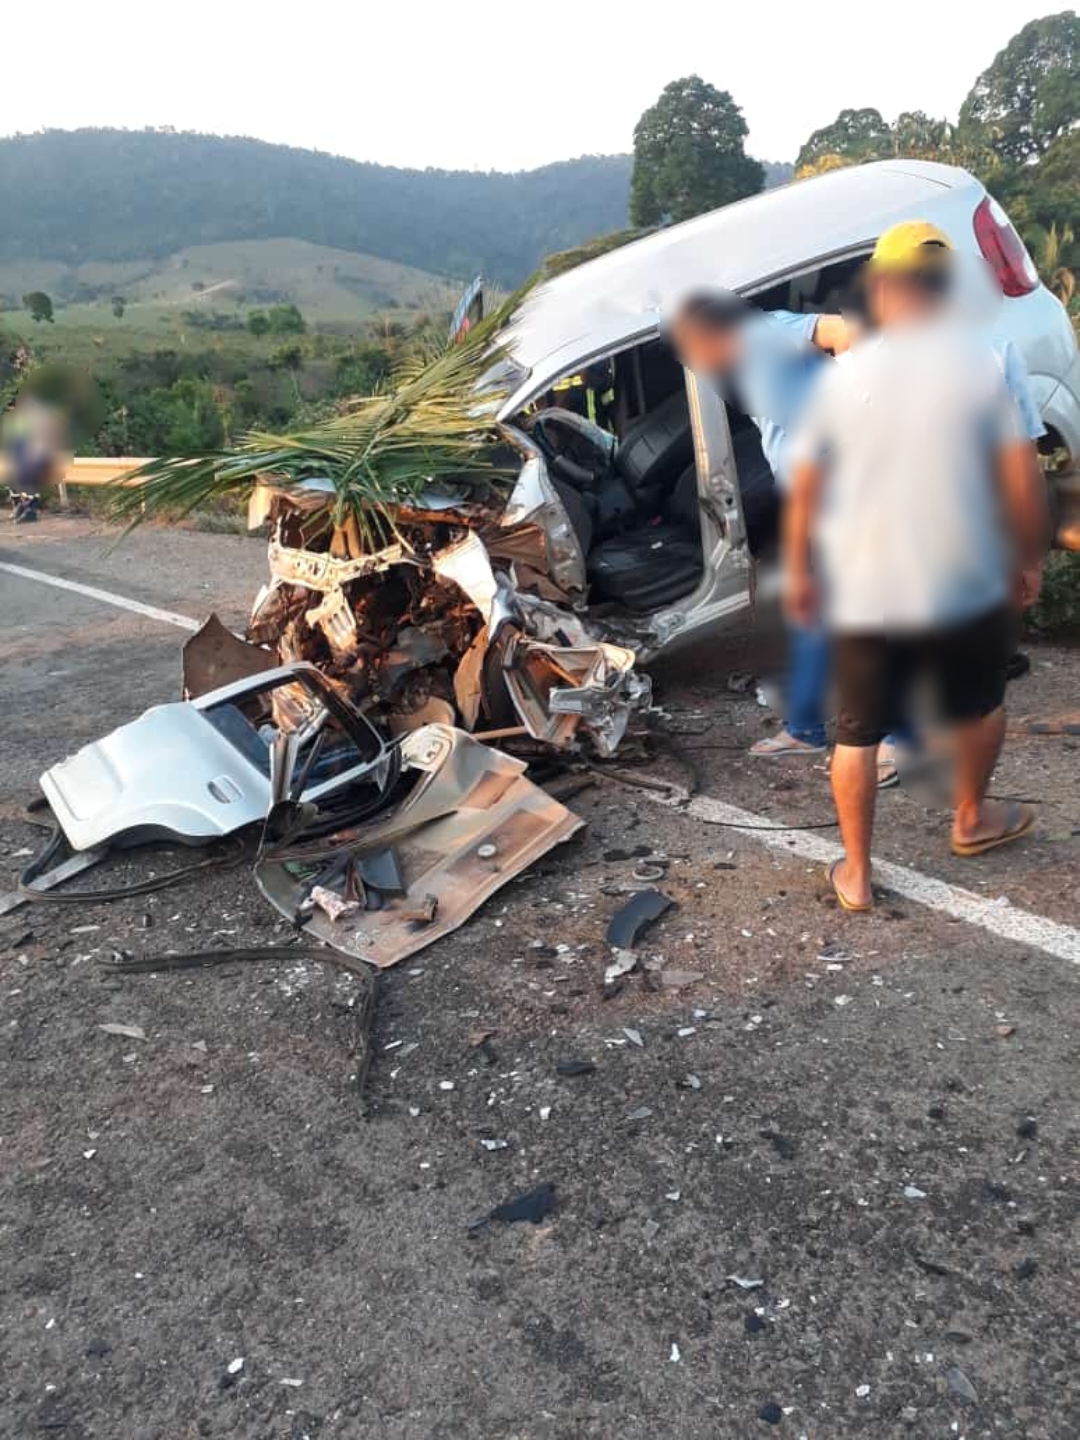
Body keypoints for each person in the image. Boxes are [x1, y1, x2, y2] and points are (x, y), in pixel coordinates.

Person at [785, 221, 1050, 912]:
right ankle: (970, 820)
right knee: (981, 700)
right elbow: (1022, 473)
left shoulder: (847, 371)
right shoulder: (988, 359)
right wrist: (1029, 557)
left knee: (859, 731)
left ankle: (858, 873)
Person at [667, 292, 851, 756]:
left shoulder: (765, 337)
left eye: (688, 349)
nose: (691, 362)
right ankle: (807, 729)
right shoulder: (745, 357)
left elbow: (847, 332)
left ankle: (893, 740)